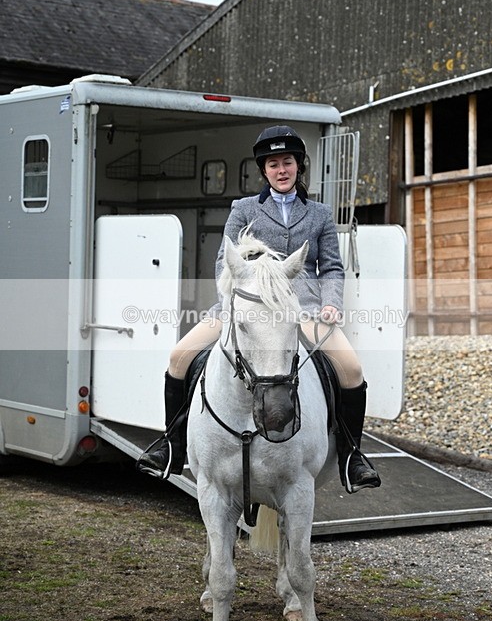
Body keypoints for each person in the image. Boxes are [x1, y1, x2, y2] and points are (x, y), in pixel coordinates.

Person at [137, 125, 381, 494]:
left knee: (352, 370)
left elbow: (331, 266)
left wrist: (330, 303)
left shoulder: (319, 214)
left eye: (287, 162)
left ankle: (351, 456)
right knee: (178, 357)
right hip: (245, 308)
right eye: (273, 164)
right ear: (264, 171)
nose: (281, 170)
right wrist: (228, 306)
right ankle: (171, 444)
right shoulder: (243, 209)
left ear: (299, 166)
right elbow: (225, 261)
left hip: (303, 311)